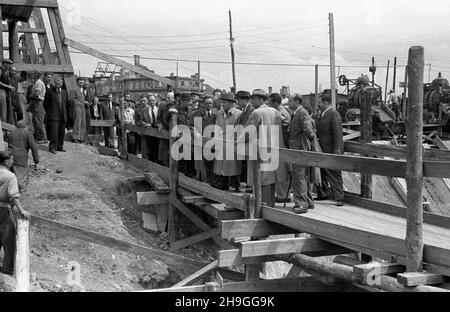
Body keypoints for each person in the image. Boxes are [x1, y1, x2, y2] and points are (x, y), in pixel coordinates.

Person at [242, 89, 283, 207]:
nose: (252, 101)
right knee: (270, 179)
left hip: (260, 150)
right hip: (273, 149)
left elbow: (248, 132)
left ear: (261, 99)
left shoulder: (256, 113)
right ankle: (270, 206)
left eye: (254, 99)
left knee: (260, 179)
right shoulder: (275, 111)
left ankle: (262, 208)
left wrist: (238, 141)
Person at [0, 151, 29, 275]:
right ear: (6, 161)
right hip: (3, 209)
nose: (12, 162)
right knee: (8, 239)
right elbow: (13, 195)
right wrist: (22, 210)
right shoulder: (10, 176)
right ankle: (7, 268)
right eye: (11, 160)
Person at [287, 96, 316, 214]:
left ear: (297, 102)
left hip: (299, 150)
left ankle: (301, 204)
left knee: (299, 176)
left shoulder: (302, 113)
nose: (288, 103)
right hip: (297, 149)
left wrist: (308, 141)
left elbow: (308, 130)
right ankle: (308, 201)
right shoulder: (297, 113)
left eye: (290, 101)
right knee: (302, 176)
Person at [316, 93, 345, 207]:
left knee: (334, 173)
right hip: (322, 149)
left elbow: (338, 133)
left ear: (326, 102)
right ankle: (323, 193)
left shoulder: (333, 114)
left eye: (319, 103)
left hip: (331, 150)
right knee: (323, 172)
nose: (318, 105)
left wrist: (337, 149)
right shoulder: (322, 114)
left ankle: (339, 197)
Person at [213, 92, 242, 192]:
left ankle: (236, 185)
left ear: (232, 103)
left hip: (233, 142)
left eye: (225, 102)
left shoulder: (238, 114)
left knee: (234, 164)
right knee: (221, 164)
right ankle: (223, 184)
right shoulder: (220, 113)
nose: (223, 104)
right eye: (222, 102)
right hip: (221, 142)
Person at [269, 93, 291, 202]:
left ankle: (283, 195)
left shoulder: (281, 113)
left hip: (282, 145)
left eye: (270, 102)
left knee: (282, 171)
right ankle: (281, 194)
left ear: (275, 103)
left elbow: (287, 126)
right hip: (279, 144)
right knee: (279, 171)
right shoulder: (279, 112)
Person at [7, 120, 39, 191]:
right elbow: (33, 147)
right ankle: (20, 194)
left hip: (9, 158)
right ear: (25, 126)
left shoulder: (10, 134)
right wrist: (36, 160)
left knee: (12, 177)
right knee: (20, 181)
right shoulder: (27, 133)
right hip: (21, 159)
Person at [191, 96, 216, 183]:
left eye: (210, 103)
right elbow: (192, 126)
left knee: (211, 161)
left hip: (212, 142)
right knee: (201, 163)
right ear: (202, 104)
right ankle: (202, 181)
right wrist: (196, 134)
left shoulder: (216, 114)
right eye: (207, 103)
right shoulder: (196, 114)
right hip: (200, 141)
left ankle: (210, 181)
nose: (209, 105)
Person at [235, 91, 254, 189]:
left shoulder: (251, 110)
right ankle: (250, 184)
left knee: (252, 164)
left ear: (244, 100)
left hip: (250, 141)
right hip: (246, 141)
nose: (237, 102)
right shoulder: (244, 111)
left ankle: (251, 185)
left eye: (238, 100)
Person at [45, 77, 68, 154]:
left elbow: (66, 104)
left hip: (63, 115)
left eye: (59, 84)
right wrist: (49, 112)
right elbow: (45, 104)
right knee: (54, 132)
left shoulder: (64, 92)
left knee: (61, 132)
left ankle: (59, 147)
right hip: (54, 115)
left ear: (62, 84)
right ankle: (52, 147)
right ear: (54, 84)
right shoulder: (50, 91)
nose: (58, 85)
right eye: (56, 84)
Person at [135, 95, 159, 162]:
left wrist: (160, 124)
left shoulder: (158, 109)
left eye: (153, 100)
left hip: (157, 133)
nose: (151, 102)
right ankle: (149, 164)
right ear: (148, 101)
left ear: (155, 101)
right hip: (148, 132)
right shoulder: (144, 110)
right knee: (149, 149)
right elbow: (140, 120)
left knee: (156, 149)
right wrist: (146, 124)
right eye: (150, 100)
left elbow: (160, 119)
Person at [28, 70, 48, 144]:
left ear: (37, 75)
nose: (31, 76)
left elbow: (37, 94)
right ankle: (38, 136)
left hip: (39, 103)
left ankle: (44, 138)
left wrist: (31, 95)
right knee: (35, 121)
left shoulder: (39, 83)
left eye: (33, 74)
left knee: (39, 121)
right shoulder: (35, 83)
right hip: (35, 103)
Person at [72, 78, 88, 144]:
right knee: (77, 122)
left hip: (82, 107)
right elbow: (71, 99)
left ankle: (81, 138)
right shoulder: (74, 89)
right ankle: (75, 137)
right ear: (77, 82)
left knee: (83, 122)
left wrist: (84, 102)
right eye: (80, 82)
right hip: (77, 107)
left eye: (82, 82)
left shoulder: (83, 90)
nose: (82, 83)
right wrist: (77, 104)